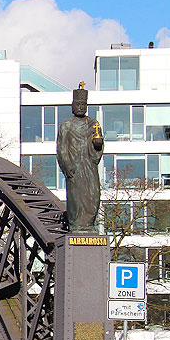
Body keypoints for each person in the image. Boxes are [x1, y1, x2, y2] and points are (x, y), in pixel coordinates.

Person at [56, 83, 104, 232]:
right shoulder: (66, 125)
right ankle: (76, 225)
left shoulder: (93, 124)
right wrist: (67, 165)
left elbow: (98, 146)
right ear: (72, 105)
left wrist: (98, 144)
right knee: (76, 197)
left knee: (94, 194)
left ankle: (89, 225)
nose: (81, 107)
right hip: (74, 168)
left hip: (89, 166)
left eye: (83, 105)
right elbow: (61, 148)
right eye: (78, 104)